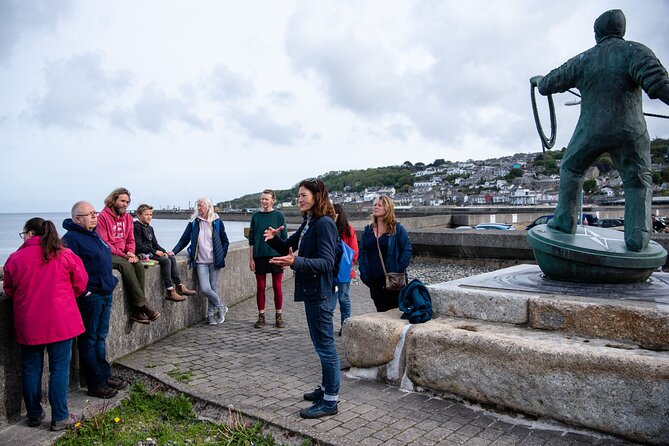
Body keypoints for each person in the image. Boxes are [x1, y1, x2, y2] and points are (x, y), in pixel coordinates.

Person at [531, 9, 669, 252]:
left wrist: (538, 80)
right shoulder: (636, 51)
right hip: (631, 131)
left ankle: (564, 222)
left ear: (597, 33)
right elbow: (658, 84)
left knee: (571, 169)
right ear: (621, 30)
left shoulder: (585, 59)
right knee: (637, 182)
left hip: (591, 131)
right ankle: (638, 237)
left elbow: (550, 83)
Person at [264, 179, 340, 419]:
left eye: (304, 195)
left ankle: (330, 402)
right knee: (321, 346)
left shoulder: (324, 224)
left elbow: (327, 263)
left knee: (326, 348)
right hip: (312, 291)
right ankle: (326, 389)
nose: (299, 199)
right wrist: (273, 239)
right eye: (298, 195)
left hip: (321, 292)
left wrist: (295, 262)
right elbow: (288, 245)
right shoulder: (310, 223)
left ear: (317, 196)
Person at [2, 218, 87, 431]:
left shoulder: (15, 258)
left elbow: (9, 289)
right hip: (61, 321)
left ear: (30, 234)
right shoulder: (65, 255)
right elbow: (81, 283)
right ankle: (60, 416)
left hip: (29, 322)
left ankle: (34, 414)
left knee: (31, 368)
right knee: (59, 369)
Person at [62, 201, 127, 400]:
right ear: (77, 219)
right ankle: (94, 383)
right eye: (89, 214)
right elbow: (69, 269)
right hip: (91, 296)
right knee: (89, 340)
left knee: (100, 337)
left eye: (94, 212)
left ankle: (104, 375)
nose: (94, 216)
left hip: (105, 291)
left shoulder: (94, 234)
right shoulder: (71, 239)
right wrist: (85, 292)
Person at [96, 187, 161, 324]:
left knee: (138, 265)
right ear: (113, 200)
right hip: (109, 253)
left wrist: (131, 252)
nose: (125, 204)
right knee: (125, 265)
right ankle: (142, 306)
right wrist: (124, 255)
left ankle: (137, 311)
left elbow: (131, 239)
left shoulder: (127, 218)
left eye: (127, 202)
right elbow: (105, 243)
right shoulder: (102, 217)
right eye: (122, 201)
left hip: (125, 253)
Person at [172, 198, 230, 326]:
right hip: (200, 261)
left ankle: (210, 316)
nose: (199, 209)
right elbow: (184, 240)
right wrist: (173, 252)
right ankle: (221, 308)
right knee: (205, 289)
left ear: (209, 207)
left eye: (201, 206)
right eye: (198, 206)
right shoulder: (194, 223)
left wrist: (222, 254)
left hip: (214, 261)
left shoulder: (217, 222)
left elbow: (225, 241)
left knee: (213, 288)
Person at [358, 195, 412, 312]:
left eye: (379, 205)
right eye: (375, 205)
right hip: (374, 280)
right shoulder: (368, 230)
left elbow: (407, 249)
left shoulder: (397, 228)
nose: (376, 207)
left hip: (393, 280)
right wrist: (363, 272)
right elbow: (362, 251)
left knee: (395, 313)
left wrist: (398, 268)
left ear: (387, 209)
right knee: (380, 311)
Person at [134, 204, 196, 302]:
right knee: (165, 261)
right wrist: (155, 252)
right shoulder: (136, 227)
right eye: (146, 214)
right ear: (138, 215)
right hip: (143, 253)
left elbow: (155, 244)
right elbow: (139, 245)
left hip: (151, 251)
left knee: (170, 257)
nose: (149, 217)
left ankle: (179, 286)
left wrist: (163, 251)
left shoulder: (150, 228)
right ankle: (170, 291)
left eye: (150, 214)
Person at [248, 189, 288, 329]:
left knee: (277, 287)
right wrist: (251, 258)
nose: (264, 201)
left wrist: (285, 257)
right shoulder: (256, 216)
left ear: (273, 200)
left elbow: (284, 238)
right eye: (262, 199)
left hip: (276, 255)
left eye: (266, 199)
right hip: (259, 255)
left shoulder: (279, 215)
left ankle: (279, 316)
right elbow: (251, 238)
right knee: (260, 287)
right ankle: (261, 316)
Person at [333, 203, 359, 336]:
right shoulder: (327, 228)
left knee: (343, 298)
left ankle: (346, 326)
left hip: (343, 271)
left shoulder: (348, 230)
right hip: (330, 270)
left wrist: (346, 266)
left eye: (334, 213)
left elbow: (354, 252)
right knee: (329, 301)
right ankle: (327, 327)